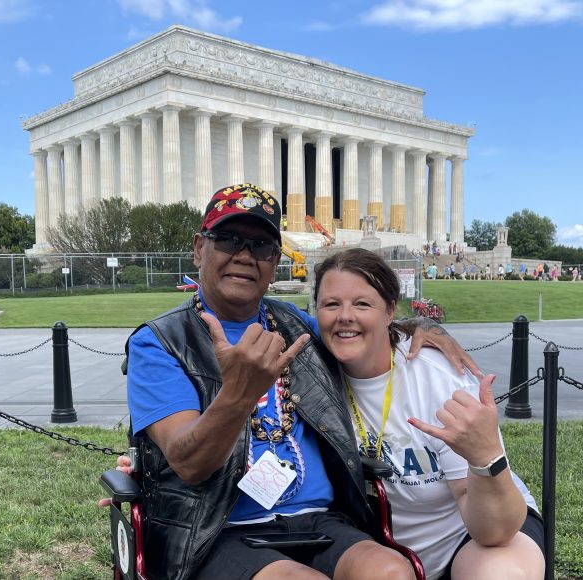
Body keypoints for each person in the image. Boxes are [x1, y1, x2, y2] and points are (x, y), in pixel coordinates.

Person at [124, 184, 476, 580]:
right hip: (216, 531)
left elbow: (352, 328)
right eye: (228, 239)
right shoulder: (159, 343)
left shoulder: (296, 326)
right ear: (199, 248)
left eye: (261, 246)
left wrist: (420, 326)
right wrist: (239, 394)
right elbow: (189, 464)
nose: (244, 255)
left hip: (319, 519)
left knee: (392, 572)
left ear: (275, 261)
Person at [313, 249, 545, 579]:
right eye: (331, 304)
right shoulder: (311, 368)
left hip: (472, 534)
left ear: (390, 310)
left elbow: (493, 531)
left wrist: (485, 456)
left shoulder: (438, 377)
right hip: (377, 551)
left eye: (363, 304)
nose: (344, 316)